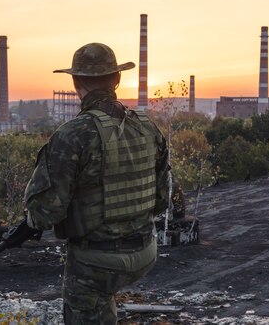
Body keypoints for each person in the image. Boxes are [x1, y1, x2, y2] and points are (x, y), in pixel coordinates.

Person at [24, 42, 170, 324]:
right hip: (145, 252)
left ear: (75, 82)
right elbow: (163, 198)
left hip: (97, 263)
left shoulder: (73, 135)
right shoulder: (148, 126)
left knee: (90, 295)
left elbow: (44, 214)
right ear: (116, 79)